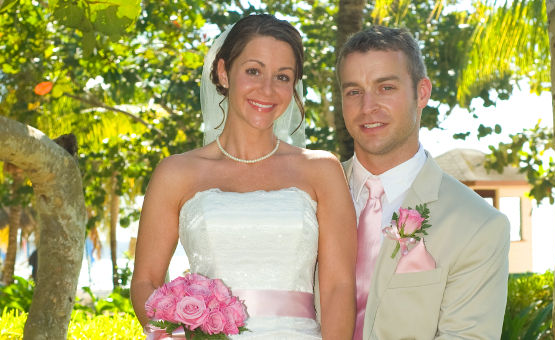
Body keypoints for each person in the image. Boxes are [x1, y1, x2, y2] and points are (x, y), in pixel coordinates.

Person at [131, 14, 356, 340]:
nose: (267, 89)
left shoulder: (321, 170)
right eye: (253, 71)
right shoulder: (175, 173)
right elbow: (145, 281)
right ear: (223, 72)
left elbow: (338, 287)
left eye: (282, 76)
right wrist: (173, 335)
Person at [337, 26, 510, 339]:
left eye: (385, 88)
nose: (367, 107)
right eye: (354, 91)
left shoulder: (478, 225)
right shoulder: (307, 199)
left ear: (422, 92)